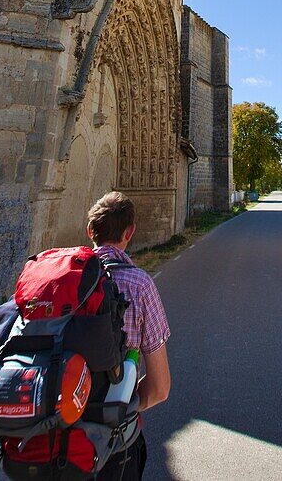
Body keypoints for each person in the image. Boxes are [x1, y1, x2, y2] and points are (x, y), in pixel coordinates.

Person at [87, 191, 171, 481]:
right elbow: (160, 389)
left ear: (90, 231)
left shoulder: (62, 281)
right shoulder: (139, 284)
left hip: (50, 436)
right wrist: (123, 408)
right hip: (113, 441)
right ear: (130, 231)